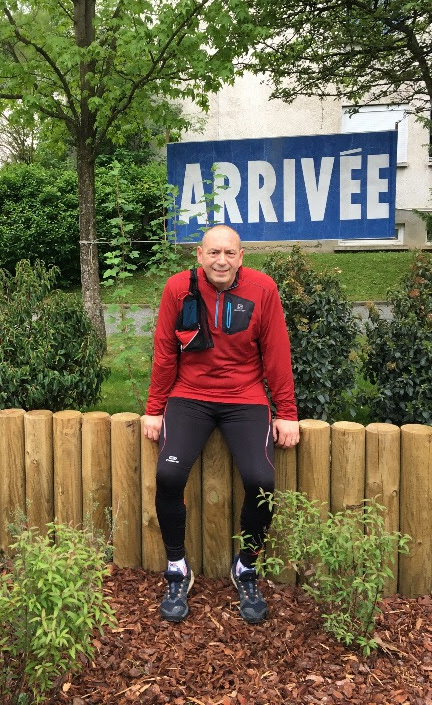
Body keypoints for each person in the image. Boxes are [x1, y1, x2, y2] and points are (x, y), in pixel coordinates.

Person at [143, 224, 299, 625]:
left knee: (261, 480)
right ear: (200, 255)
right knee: (168, 475)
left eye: (230, 253)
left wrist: (287, 413)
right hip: (189, 395)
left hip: (244, 397)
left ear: (241, 257)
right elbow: (165, 351)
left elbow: (276, 353)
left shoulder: (263, 289)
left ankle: (246, 566)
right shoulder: (178, 288)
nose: (221, 261)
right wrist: (154, 408)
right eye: (214, 252)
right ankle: (177, 568)